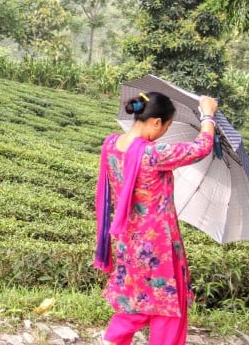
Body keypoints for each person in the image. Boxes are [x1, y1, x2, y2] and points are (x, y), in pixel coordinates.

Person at [94, 91, 217, 345]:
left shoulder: (111, 145)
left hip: (128, 241)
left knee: (135, 301)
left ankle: (112, 341)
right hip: (157, 245)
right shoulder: (153, 154)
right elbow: (202, 147)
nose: (165, 132)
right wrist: (208, 115)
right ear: (156, 122)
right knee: (168, 305)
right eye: (168, 126)